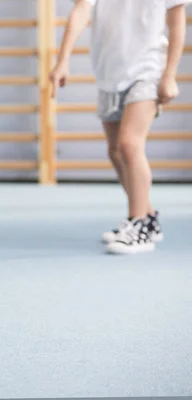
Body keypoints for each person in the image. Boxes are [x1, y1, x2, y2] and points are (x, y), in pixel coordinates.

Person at [50, 0, 188, 254]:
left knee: (129, 145)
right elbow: (81, 10)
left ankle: (138, 225)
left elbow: (177, 22)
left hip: (148, 72)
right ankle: (148, 218)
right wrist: (63, 60)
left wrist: (169, 75)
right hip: (109, 75)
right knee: (115, 151)